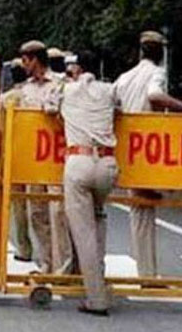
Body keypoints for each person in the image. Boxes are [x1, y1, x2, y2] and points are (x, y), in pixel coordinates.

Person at [44, 51, 116, 316]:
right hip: (107, 164)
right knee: (98, 220)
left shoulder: (68, 90)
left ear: (77, 68)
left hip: (79, 162)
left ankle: (97, 299)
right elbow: (119, 108)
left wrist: (67, 80)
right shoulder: (110, 90)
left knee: (84, 234)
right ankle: (101, 281)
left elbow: (48, 106)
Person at [113, 31, 182, 278]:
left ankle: (147, 273)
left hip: (129, 151)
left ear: (141, 51)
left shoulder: (124, 77)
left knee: (139, 212)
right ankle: (147, 275)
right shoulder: (157, 73)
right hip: (150, 152)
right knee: (145, 207)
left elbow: (113, 102)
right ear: (160, 53)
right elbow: (154, 95)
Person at [19, 40, 58, 273]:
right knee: (37, 213)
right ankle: (46, 264)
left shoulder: (59, 84)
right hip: (34, 158)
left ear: (35, 59)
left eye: (26, 60)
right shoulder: (26, 89)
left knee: (59, 213)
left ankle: (64, 267)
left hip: (55, 158)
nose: (23, 65)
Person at [0, 58, 32, 262]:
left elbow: (0, 129)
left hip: (14, 155)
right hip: (36, 155)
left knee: (18, 205)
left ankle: (24, 248)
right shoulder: (32, 94)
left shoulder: (6, 98)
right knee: (41, 205)